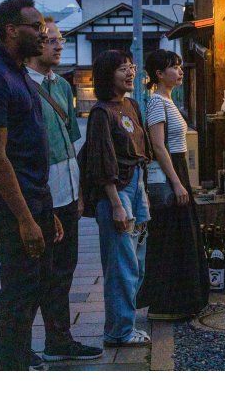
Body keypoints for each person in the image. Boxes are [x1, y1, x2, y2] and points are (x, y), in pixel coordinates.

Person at [0, 0, 61, 371]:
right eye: (35, 28)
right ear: (11, 30)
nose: (43, 35)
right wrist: (25, 218)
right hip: (10, 195)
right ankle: (7, 360)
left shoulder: (18, 72)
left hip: (33, 191)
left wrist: (47, 209)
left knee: (34, 280)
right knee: (20, 280)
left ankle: (17, 352)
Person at [25, 18, 103, 362]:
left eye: (61, 40)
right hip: (41, 192)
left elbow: (72, 141)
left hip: (68, 190)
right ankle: (23, 345)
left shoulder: (61, 86)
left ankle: (60, 338)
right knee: (39, 272)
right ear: (33, 44)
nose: (59, 46)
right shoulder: (22, 86)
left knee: (65, 269)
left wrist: (80, 190)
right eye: (50, 41)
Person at [79, 50, 152, 347]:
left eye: (131, 67)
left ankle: (125, 323)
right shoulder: (101, 112)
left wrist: (142, 192)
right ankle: (119, 331)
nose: (130, 72)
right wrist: (117, 205)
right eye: (123, 68)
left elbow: (139, 149)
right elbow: (101, 161)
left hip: (135, 184)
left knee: (136, 261)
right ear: (109, 75)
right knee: (121, 264)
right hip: (116, 191)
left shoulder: (131, 105)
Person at [137, 49, 209, 320]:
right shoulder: (157, 102)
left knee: (180, 236)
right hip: (171, 172)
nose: (179, 71)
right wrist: (177, 183)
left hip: (177, 170)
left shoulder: (167, 100)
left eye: (180, 66)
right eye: (174, 67)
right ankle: (167, 304)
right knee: (171, 237)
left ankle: (181, 302)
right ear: (158, 74)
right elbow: (158, 145)